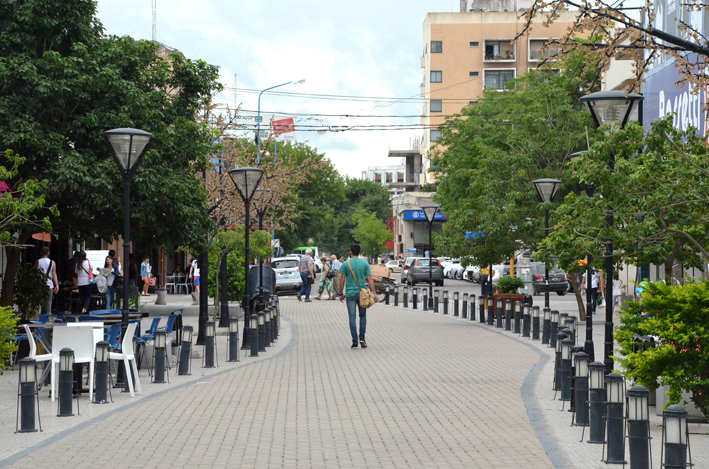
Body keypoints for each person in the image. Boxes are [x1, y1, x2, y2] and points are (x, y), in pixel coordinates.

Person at [338, 243, 379, 349]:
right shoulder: (364, 264)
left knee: (352, 317)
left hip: (350, 294)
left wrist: (340, 293)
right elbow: (370, 279)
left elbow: (342, 280)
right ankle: (362, 338)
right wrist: (374, 293)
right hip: (362, 294)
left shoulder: (346, 264)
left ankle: (354, 341)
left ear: (350, 252)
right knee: (363, 316)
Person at [34, 246, 59, 316]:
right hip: (49, 284)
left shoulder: (38, 262)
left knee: (38, 302)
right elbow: (54, 274)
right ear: (48, 253)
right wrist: (56, 285)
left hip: (39, 284)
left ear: (41, 253)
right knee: (48, 303)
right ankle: (47, 318)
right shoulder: (52, 262)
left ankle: (38, 317)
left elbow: (34, 273)